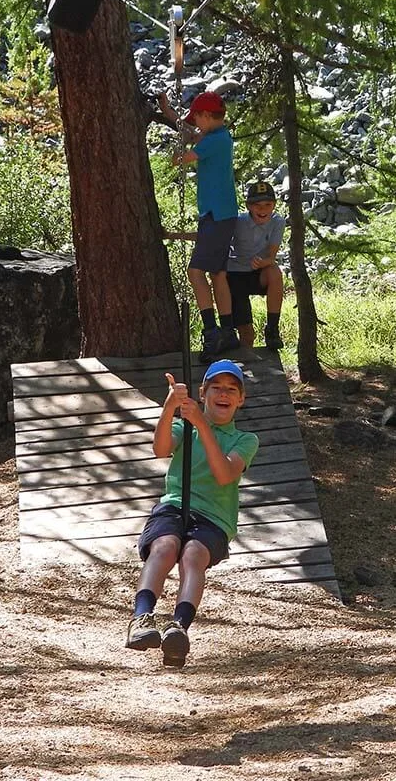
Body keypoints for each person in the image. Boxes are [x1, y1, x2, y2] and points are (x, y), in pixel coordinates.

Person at [125, 359, 259, 667]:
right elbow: (160, 449)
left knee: (193, 555)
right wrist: (170, 407)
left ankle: (179, 628)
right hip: (174, 504)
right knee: (164, 546)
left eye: (231, 390)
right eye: (216, 388)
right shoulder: (183, 426)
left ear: (241, 400)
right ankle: (141, 618)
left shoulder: (245, 440)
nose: (223, 394)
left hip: (214, 517)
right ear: (202, 393)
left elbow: (225, 474)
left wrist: (201, 425)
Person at [171, 90, 241, 357]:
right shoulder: (217, 136)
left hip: (216, 215)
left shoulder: (214, 141)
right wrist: (168, 112)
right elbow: (190, 132)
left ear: (206, 116)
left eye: (197, 118)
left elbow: (183, 157)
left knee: (195, 272)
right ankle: (227, 331)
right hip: (221, 214)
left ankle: (211, 333)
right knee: (218, 274)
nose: (195, 123)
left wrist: (176, 151)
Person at [227, 181, 287, 349]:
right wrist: (175, 235)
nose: (263, 210)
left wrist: (263, 262)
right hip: (235, 275)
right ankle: (242, 366)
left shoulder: (278, 222)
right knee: (247, 333)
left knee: (275, 273)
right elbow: (211, 237)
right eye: (257, 205)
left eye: (268, 205)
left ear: (274, 205)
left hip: (257, 272)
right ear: (248, 206)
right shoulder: (237, 221)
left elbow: (272, 257)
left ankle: (272, 329)